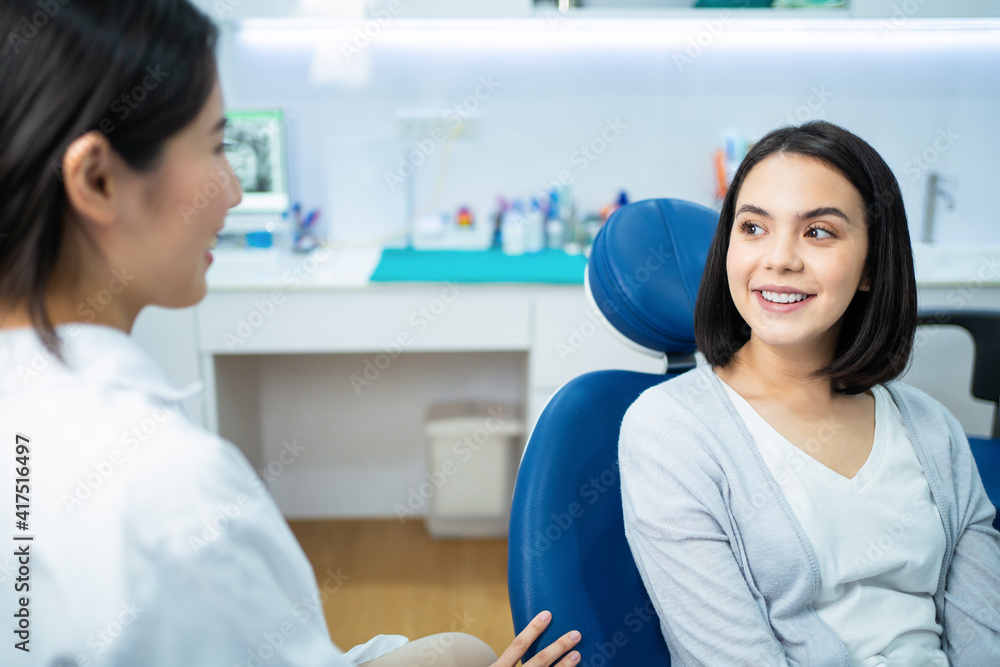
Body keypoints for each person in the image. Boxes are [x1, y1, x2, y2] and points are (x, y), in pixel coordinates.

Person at [0, 1, 582, 665]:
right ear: (98, 179)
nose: (236, 190)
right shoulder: (172, 492)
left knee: (459, 648)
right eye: (217, 146)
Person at [619, 121, 1000, 666]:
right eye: (753, 228)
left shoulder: (932, 429)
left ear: (871, 267)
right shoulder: (671, 431)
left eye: (818, 232)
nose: (780, 259)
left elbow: (985, 640)